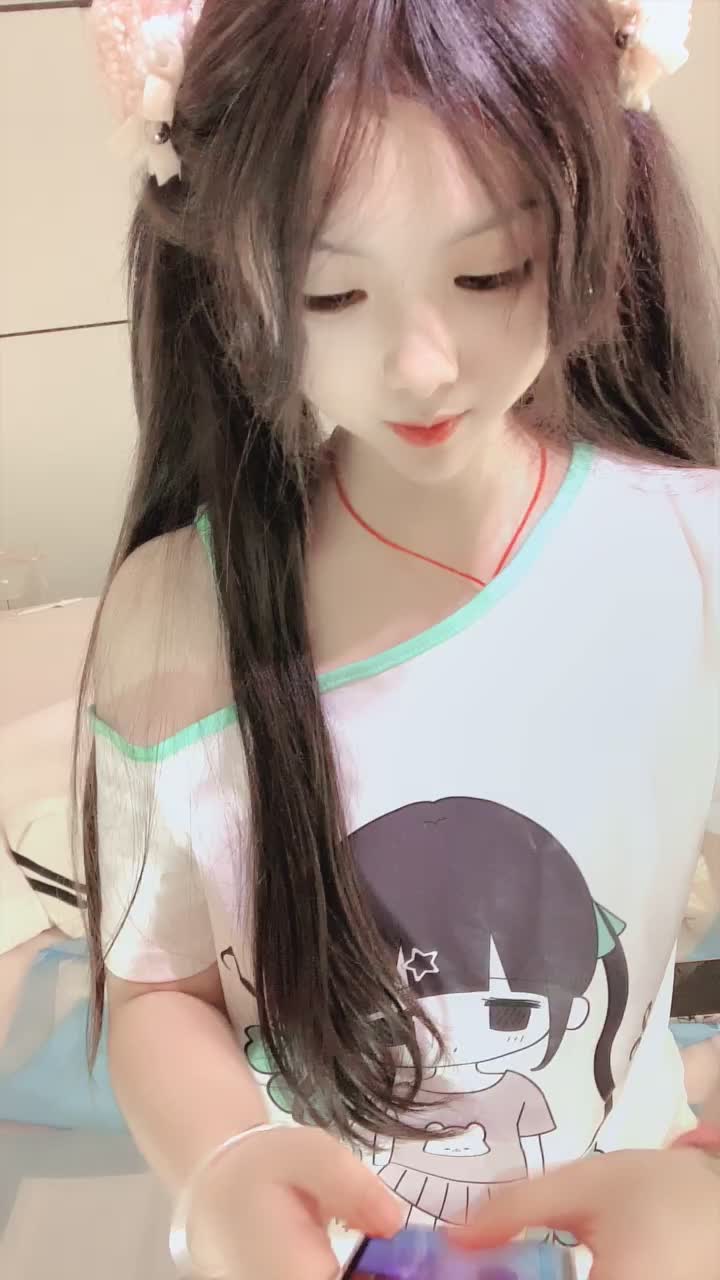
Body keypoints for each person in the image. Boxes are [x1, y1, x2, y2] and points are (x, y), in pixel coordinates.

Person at [77, 1, 720, 1278]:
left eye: (490, 272)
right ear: (230, 275)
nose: (422, 365)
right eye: (331, 289)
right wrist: (224, 1164)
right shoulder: (177, 612)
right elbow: (159, 987)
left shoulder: (693, 557)